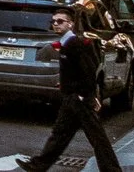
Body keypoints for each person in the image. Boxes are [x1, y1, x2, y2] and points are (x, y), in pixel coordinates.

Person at [15, 9, 123, 172]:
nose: (56, 24)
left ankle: (112, 169)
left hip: (78, 99)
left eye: (60, 21)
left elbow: (89, 70)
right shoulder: (67, 44)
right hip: (70, 98)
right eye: (53, 22)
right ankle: (38, 165)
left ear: (70, 24)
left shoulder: (76, 44)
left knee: (96, 136)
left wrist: (85, 95)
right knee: (60, 134)